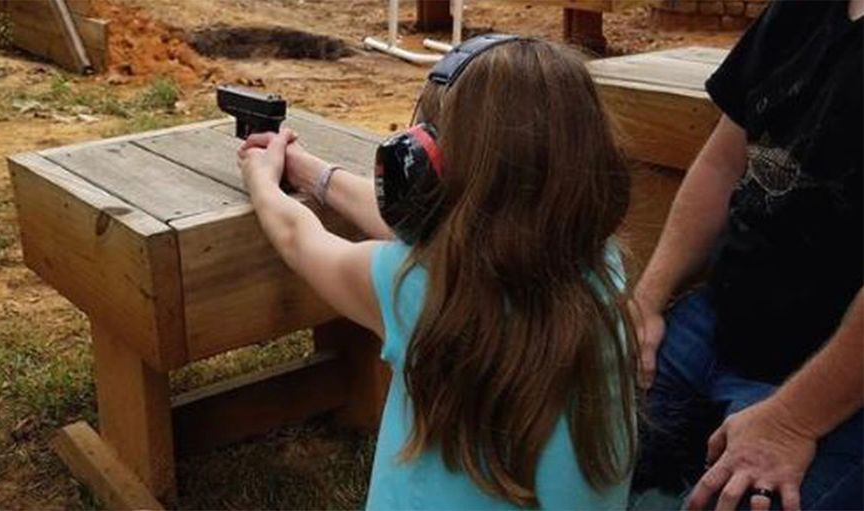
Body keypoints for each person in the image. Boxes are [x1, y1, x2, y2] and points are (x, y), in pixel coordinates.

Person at [237, 35, 638, 509]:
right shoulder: (600, 265)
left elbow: (298, 239)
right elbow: (447, 229)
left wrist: (263, 180)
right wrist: (312, 173)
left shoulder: (416, 288)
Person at [630, 1, 863, 510]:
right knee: (574, 434)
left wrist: (790, 421)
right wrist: (648, 298)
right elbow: (723, 162)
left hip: (833, 386)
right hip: (717, 318)